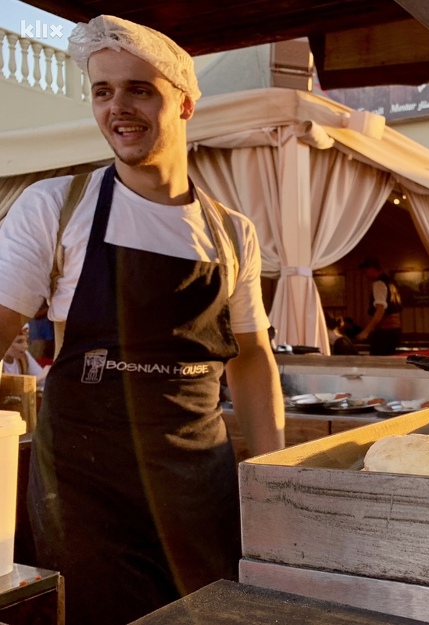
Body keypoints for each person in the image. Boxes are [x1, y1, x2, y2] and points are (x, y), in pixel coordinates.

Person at [0, 15, 284, 625]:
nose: (117, 108)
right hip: (85, 489)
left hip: (197, 486)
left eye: (138, 89)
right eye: (102, 91)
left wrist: (275, 481)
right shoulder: (56, 205)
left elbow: (253, 358)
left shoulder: (233, 233)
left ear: (184, 104)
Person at [356, 257, 403, 355]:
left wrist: (366, 331)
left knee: (378, 361)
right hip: (396, 330)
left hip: (384, 331)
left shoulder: (379, 284)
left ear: (372, 269)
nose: (365, 275)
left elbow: (380, 310)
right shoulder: (392, 283)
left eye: (365, 272)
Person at [3, 324, 49, 389]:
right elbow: (7, 389)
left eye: (26, 341)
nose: (26, 346)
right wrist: (37, 379)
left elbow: (43, 378)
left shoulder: (24, 356)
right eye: (19, 341)